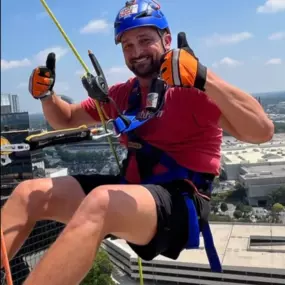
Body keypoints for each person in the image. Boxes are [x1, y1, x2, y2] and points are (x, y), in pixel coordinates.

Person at [1, 0, 274, 284]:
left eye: (145, 40)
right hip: (131, 192)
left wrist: (204, 78)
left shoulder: (191, 91)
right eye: (127, 46)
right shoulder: (124, 94)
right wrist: (47, 96)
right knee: (28, 194)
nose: (136, 52)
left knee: (101, 202)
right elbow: (66, 118)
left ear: (167, 40)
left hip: (181, 203)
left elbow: (261, 131)